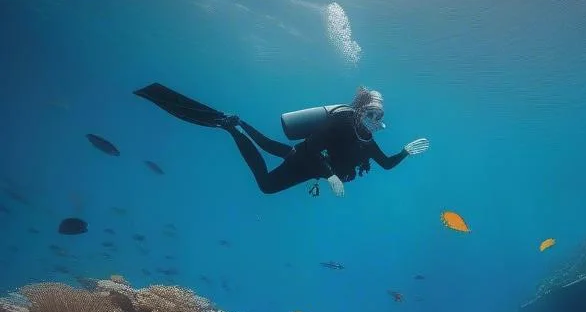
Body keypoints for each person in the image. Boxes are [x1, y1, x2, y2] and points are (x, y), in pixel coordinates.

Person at [134, 84, 429, 195]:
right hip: (305, 160)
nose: (378, 121)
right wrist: (331, 177)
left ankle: (236, 125)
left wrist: (404, 151)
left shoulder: (366, 139)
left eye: (380, 116)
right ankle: (230, 127)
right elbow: (312, 147)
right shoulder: (342, 122)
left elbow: (386, 164)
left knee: (268, 151)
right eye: (373, 114)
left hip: (308, 165)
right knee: (265, 184)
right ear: (362, 110)